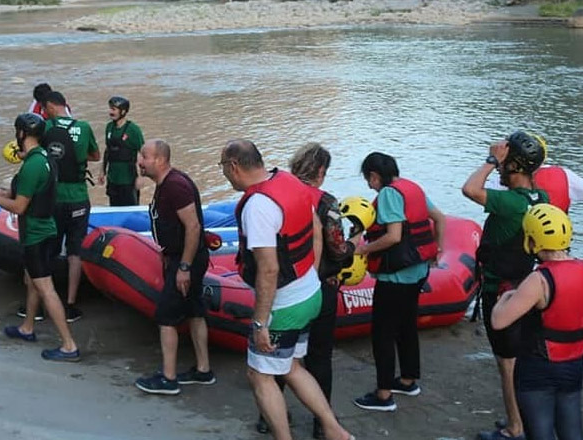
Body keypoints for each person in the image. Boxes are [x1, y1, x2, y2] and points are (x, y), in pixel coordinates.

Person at [220, 139, 355, 440]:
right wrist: (310, 277)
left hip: (284, 305)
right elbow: (316, 232)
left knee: (260, 374)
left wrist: (260, 322)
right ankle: (335, 431)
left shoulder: (258, 206)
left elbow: (268, 269)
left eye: (223, 168)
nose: (225, 176)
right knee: (292, 367)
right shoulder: (288, 181)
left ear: (234, 166)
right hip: (310, 293)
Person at [491, 204, 583, 440]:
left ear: (532, 240)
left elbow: (498, 321)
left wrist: (507, 297)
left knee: (540, 432)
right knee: (572, 430)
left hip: (538, 368)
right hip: (574, 364)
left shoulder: (539, 279)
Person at [462, 131, 549, 440]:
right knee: (521, 358)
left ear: (514, 166)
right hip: (525, 286)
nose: (499, 168)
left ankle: (515, 427)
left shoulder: (510, 202)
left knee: (507, 362)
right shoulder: (541, 198)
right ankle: (524, 420)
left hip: (500, 290)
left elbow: (470, 189)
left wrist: (489, 160)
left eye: (503, 163)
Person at [0, 113, 80, 362]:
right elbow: (28, 191)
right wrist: (3, 191)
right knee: (30, 280)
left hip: (36, 234)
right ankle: (27, 328)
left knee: (45, 288)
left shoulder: (32, 164)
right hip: (45, 229)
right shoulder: (44, 158)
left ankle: (69, 345)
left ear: (22, 134)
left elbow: (19, 207)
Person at [351, 152, 446, 412]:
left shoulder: (389, 194)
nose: (369, 186)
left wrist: (362, 251)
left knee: (383, 333)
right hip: (418, 271)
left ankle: (383, 395)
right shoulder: (412, 188)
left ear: (374, 175)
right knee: (406, 326)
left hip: (396, 276)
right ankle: (407, 380)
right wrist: (437, 251)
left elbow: (393, 237)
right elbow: (440, 218)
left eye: (368, 180)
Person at [133, 139, 215, 395]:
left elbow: (193, 227)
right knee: (195, 311)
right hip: (181, 257)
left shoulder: (176, 186)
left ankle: (168, 378)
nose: (140, 162)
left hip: (186, 260)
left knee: (166, 317)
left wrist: (184, 267)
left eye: (144, 157)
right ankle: (203, 370)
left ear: (159, 160)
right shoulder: (166, 184)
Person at [42, 90, 100, 322]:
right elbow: (95, 155)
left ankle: (48, 299)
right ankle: (70, 304)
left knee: (50, 249)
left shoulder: (46, 127)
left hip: (54, 198)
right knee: (75, 252)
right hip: (78, 198)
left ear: (50, 106)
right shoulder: (84, 127)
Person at [485, 133, 583, 212]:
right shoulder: (564, 175)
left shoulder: (504, 181)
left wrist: (493, 160)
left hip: (516, 243)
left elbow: (472, 190)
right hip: (556, 243)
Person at [99, 96, 145, 206]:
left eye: (113, 109)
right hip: (113, 179)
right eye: (110, 108)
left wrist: (141, 177)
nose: (110, 112)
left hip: (128, 180)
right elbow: (107, 151)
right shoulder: (109, 127)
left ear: (123, 111)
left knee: (130, 210)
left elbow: (143, 153)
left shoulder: (133, 129)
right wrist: (102, 172)